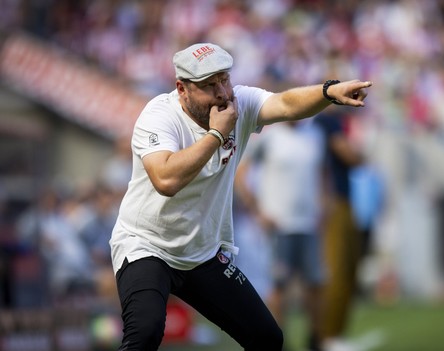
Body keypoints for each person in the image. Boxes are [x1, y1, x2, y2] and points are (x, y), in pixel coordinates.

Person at [109, 42, 372, 351]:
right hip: (146, 246)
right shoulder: (158, 116)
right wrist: (216, 135)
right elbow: (166, 179)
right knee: (146, 332)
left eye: (224, 79)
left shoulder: (238, 102)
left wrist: (328, 92)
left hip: (202, 253)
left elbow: (286, 104)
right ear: (182, 89)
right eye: (209, 85)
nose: (222, 92)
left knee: (267, 338)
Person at [234, 119, 326, 350]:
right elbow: (241, 172)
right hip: (280, 225)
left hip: (309, 223)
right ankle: (278, 341)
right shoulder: (269, 136)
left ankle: (315, 339)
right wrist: (257, 209)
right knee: (278, 285)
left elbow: (322, 174)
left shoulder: (314, 135)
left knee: (314, 283)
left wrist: (325, 204)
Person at [314, 109, 366, 351]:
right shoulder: (327, 121)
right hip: (335, 203)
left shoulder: (329, 122)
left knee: (347, 270)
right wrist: (362, 153)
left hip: (341, 201)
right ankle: (327, 336)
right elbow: (349, 155)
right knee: (337, 270)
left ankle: (333, 334)